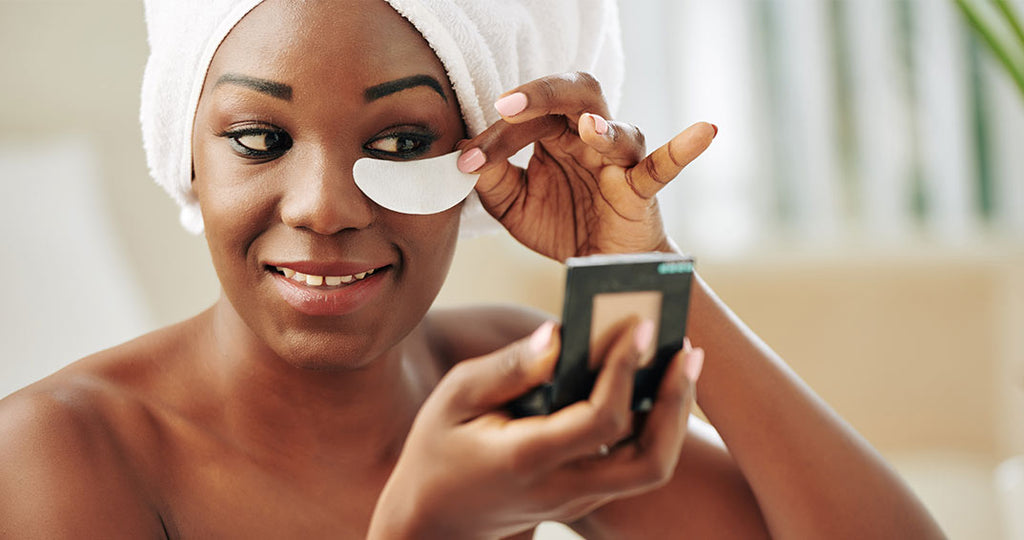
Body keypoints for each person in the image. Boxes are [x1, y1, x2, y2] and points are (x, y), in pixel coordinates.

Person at [0, 0, 946, 538]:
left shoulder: (506, 375)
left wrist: (644, 267)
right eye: (259, 137)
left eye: (405, 139)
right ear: (188, 155)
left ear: (485, 165)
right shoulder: (55, 454)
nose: (324, 205)